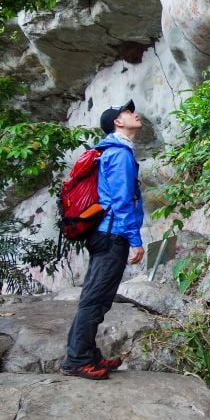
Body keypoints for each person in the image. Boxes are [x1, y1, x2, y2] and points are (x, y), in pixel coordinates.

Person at [60, 100, 145, 380]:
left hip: (105, 233)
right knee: (95, 299)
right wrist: (135, 240)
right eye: (128, 112)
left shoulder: (110, 151)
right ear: (117, 122)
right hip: (112, 234)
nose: (134, 114)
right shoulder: (119, 154)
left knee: (98, 298)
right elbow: (122, 201)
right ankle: (76, 360)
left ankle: (88, 354)